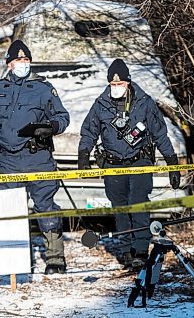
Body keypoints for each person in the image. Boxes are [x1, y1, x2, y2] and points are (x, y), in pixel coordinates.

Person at [0, 40, 70, 274]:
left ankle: (55, 259)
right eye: (18, 60)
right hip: (8, 160)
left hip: (39, 158)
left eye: (26, 60)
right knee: (10, 210)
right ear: (9, 64)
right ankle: (13, 264)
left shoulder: (44, 88)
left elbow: (63, 117)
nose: (23, 64)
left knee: (46, 208)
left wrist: (52, 127)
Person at [77, 59, 181, 269]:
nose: (117, 88)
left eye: (120, 84)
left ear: (128, 83)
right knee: (121, 208)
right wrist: (83, 155)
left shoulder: (144, 102)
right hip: (113, 164)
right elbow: (89, 132)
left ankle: (141, 250)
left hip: (139, 161)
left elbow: (160, 134)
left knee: (138, 202)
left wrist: (172, 163)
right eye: (113, 85)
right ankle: (126, 251)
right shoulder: (101, 104)